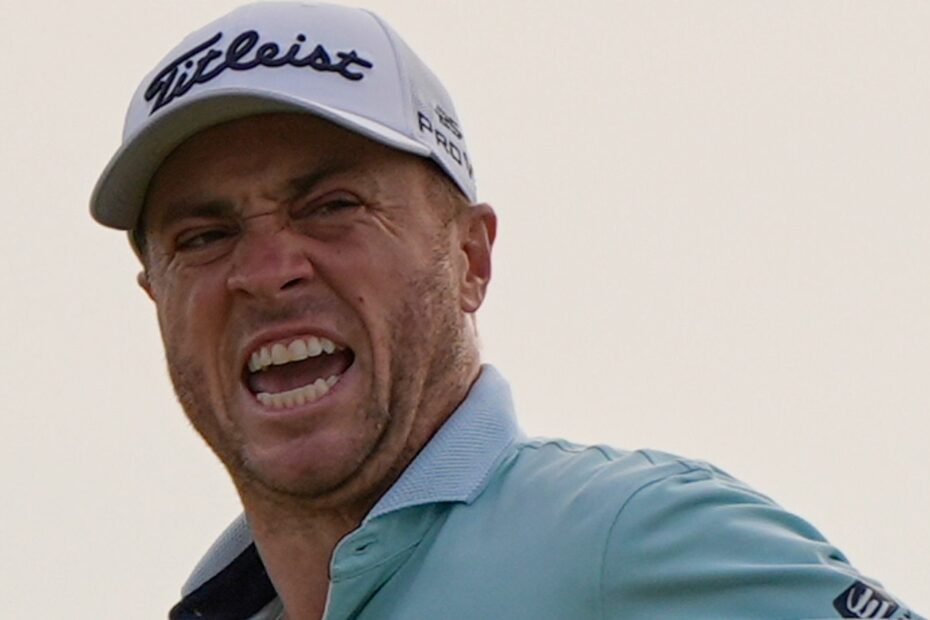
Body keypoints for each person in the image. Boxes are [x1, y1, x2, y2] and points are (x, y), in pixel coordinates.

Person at [90, 3, 924, 619]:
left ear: (470, 260)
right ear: (156, 296)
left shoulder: (632, 534)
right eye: (205, 235)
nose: (268, 272)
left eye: (334, 204)